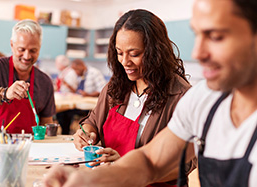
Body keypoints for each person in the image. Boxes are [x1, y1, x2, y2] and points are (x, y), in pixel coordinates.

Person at [43, 0, 257, 186]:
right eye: (197, 35)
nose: (197, 53)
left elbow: (178, 167)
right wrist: (91, 180)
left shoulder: (182, 95)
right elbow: (150, 161)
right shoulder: (203, 100)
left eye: (216, 36)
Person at [56, 9, 194, 186]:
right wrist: (86, 133)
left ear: (156, 52)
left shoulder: (181, 96)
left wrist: (126, 166)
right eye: (120, 53)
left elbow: (183, 165)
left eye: (134, 54)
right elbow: (93, 121)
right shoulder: (116, 86)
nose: (125, 62)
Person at [0, 19, 56, 134]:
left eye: (33, 50)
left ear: (39, 47)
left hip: (29, 148)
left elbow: (46, 122)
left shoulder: (45, 82)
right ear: (12, 45)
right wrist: (5, 93)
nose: (27, 56)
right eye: (22, 49)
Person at [56, 58, 107, 135]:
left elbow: (103, 91)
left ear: (81, 66)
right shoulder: (81, 75)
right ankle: (65, 133)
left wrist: (88, 94)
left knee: (70, 114)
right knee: (62, 113)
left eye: (76, 69)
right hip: (80, 103)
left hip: (90, 106)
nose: (75, 73)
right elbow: (78, 91)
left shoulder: (94, 73)